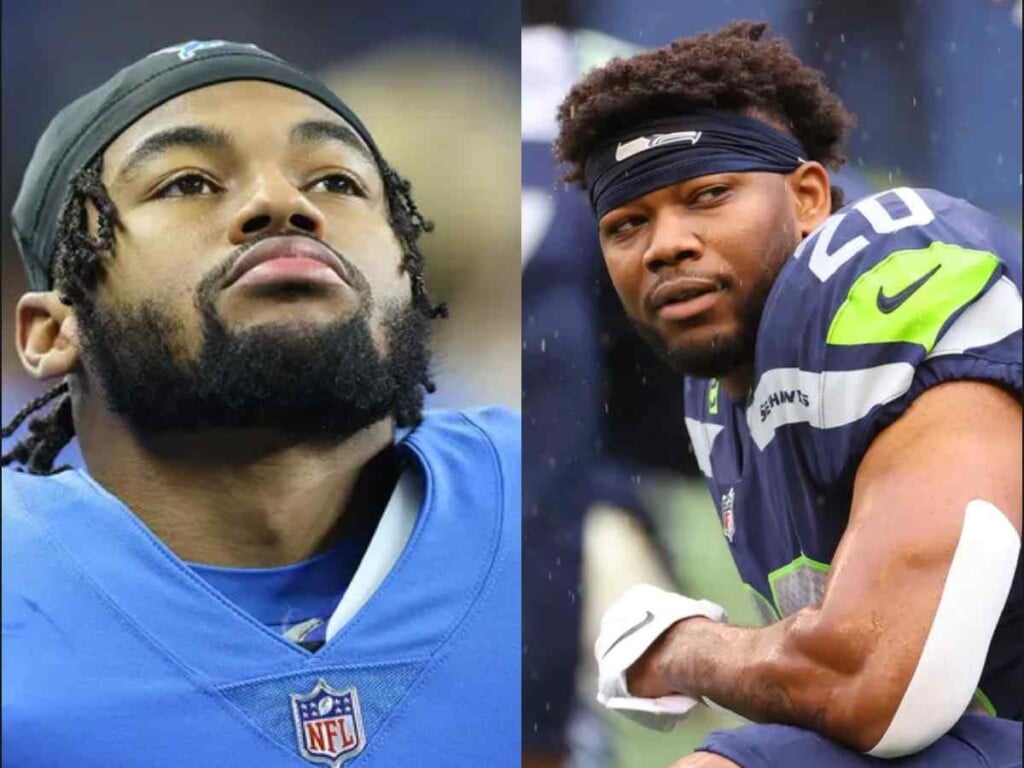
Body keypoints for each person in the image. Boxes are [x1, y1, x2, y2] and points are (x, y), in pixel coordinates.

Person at [1, 40, 519, 767]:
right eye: (187, 182)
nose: (283, 201)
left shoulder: (537, 489)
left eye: (338, 181)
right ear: (54, 330)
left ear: (411, 275)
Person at [553, 21, 1022, 768]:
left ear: (808, 197)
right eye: (626, 224)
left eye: (708, 194)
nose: (664, 245)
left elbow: (878, 689)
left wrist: (680, 648)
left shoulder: (888, 276)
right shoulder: (716, 395)